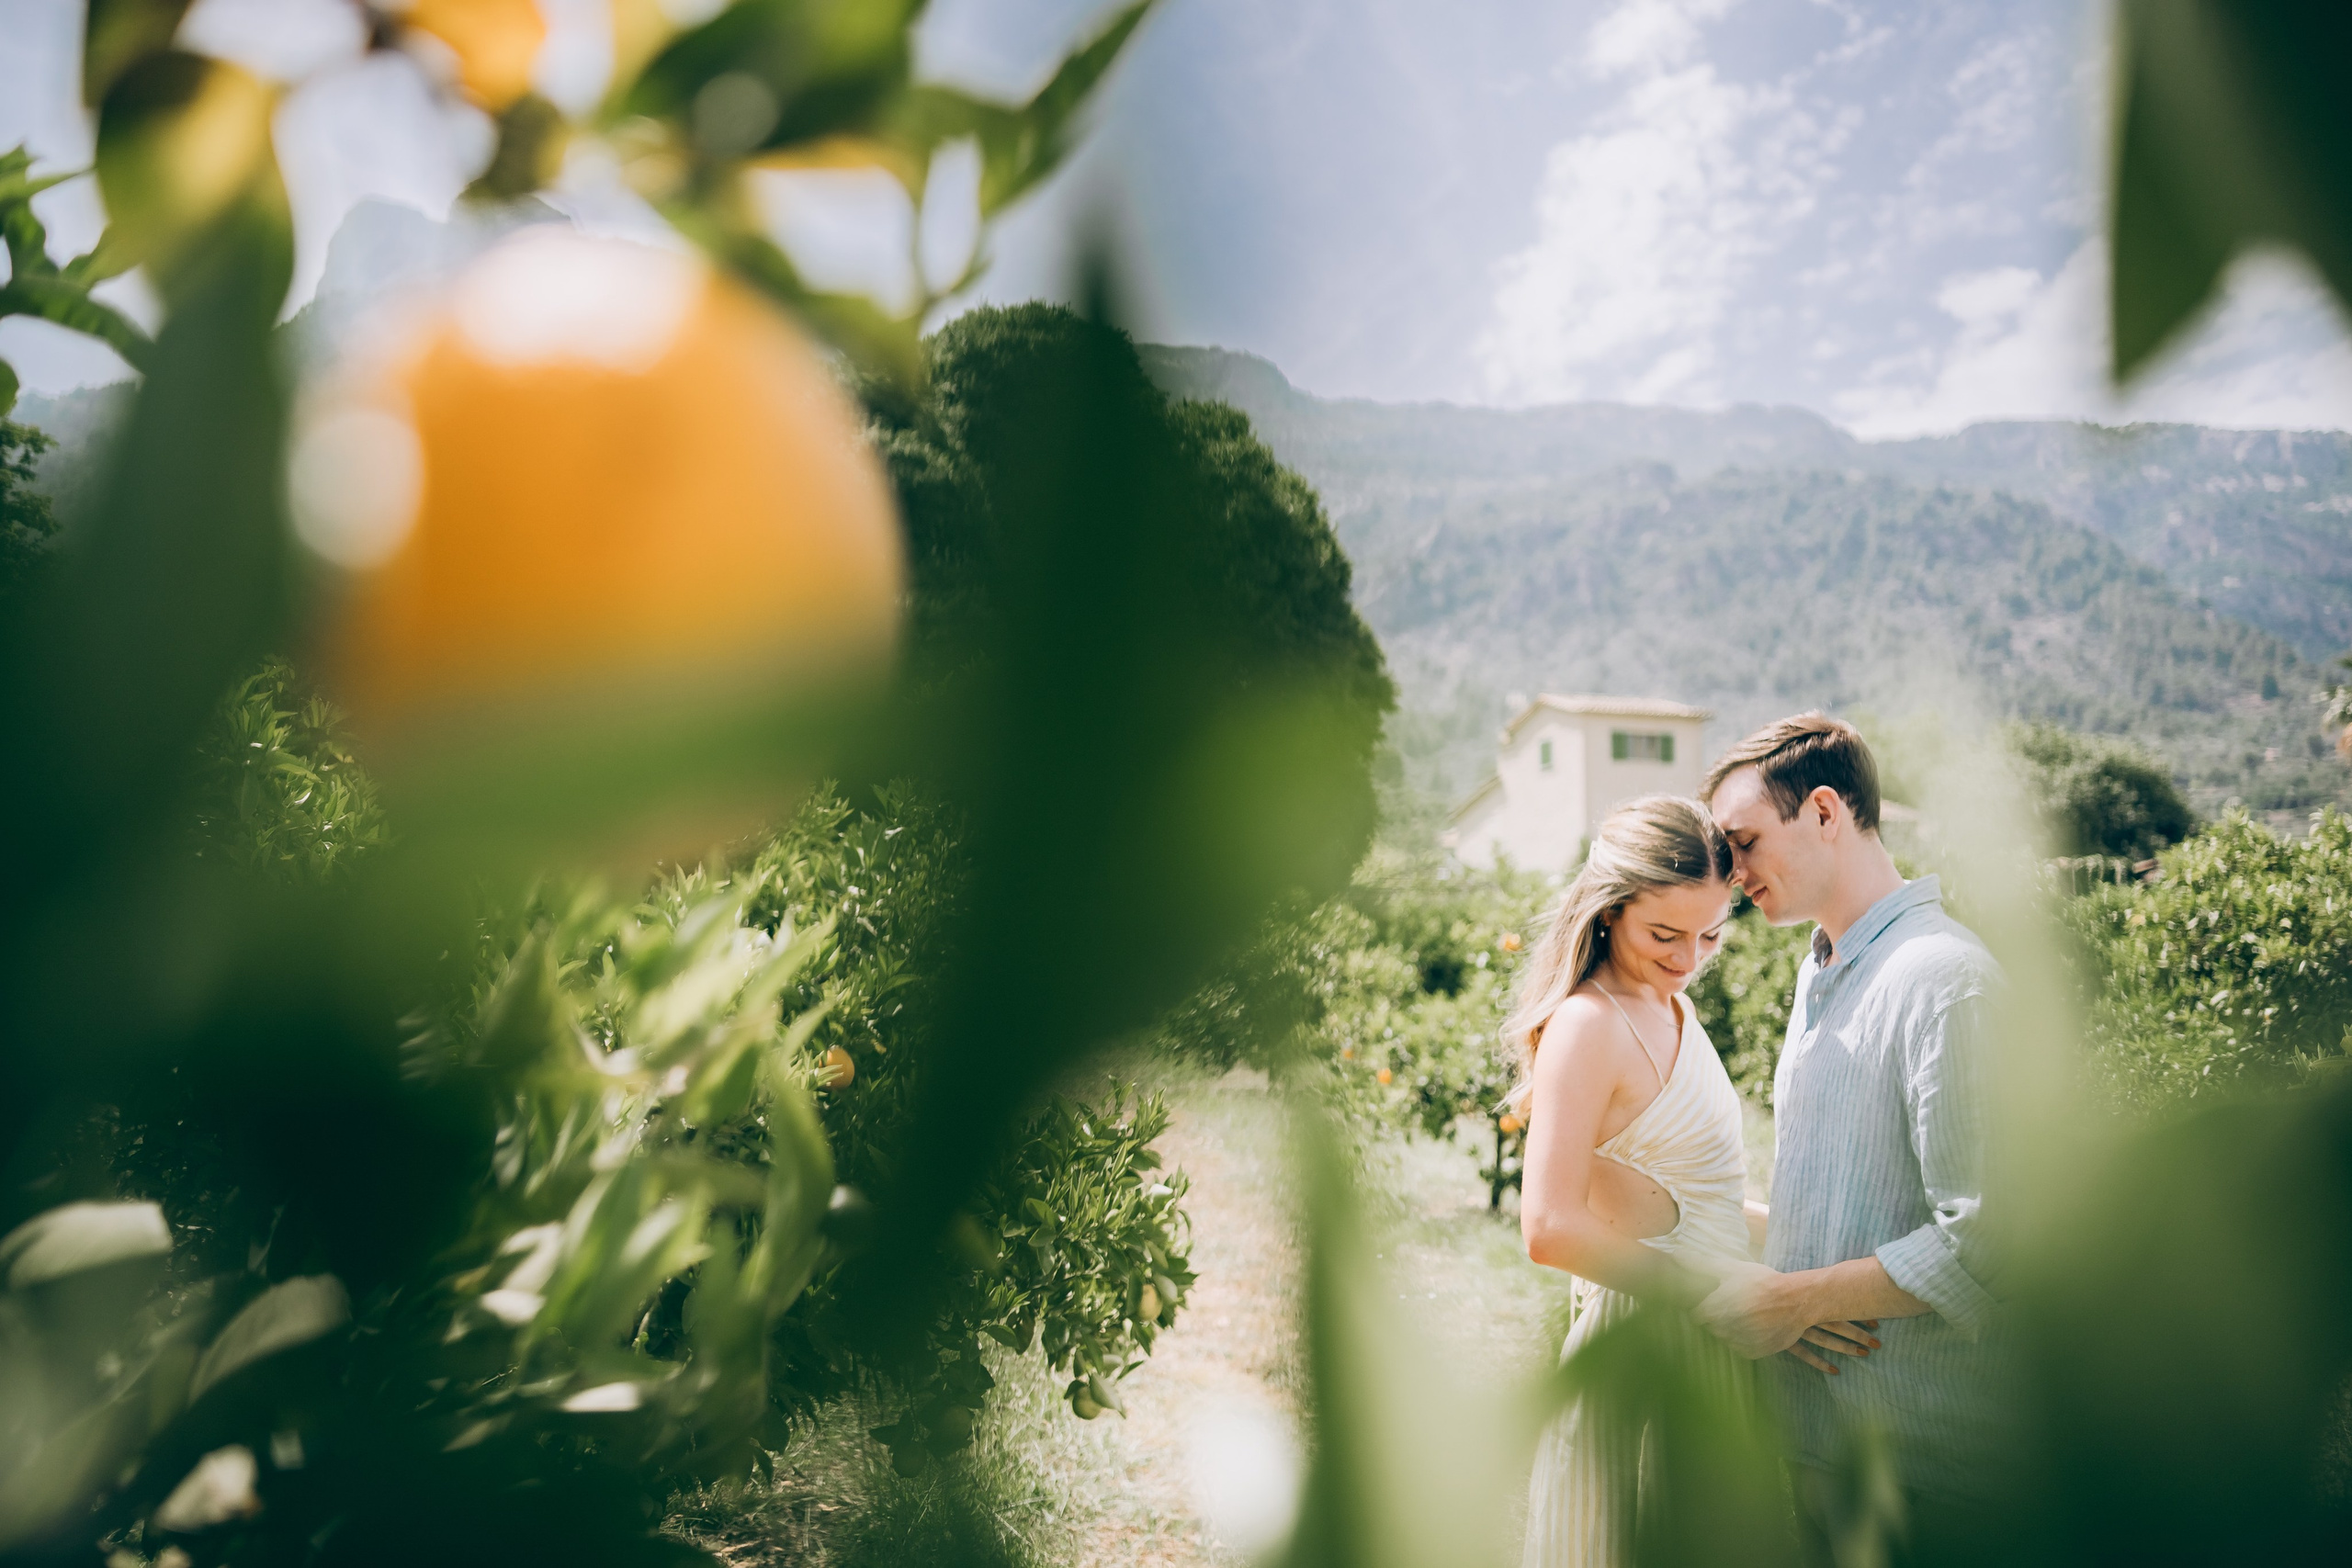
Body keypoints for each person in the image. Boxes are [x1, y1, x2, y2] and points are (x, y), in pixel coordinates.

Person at [1513, 795, 1880, 1568]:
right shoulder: (1588, 1024)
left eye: (1710, 933)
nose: (1689, 958)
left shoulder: (1666, 1000)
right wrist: (1715, 1292)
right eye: (1665, 934)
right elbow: (1547, 1226)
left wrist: (1813, 1276)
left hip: (1713, 1333)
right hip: (1653, 1340)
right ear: (1610, 911)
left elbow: (1700, 1202)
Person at [1693, 714, 2011, 1560]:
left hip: (1922, 1469)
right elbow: (1837, 1194)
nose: (1732, 877)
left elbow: (1986, 1241)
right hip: (1818, 1447)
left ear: (1826, 812)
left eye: (1745, 843)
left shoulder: (1945, 979)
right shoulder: (1821, 969)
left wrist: (1802, 1298)